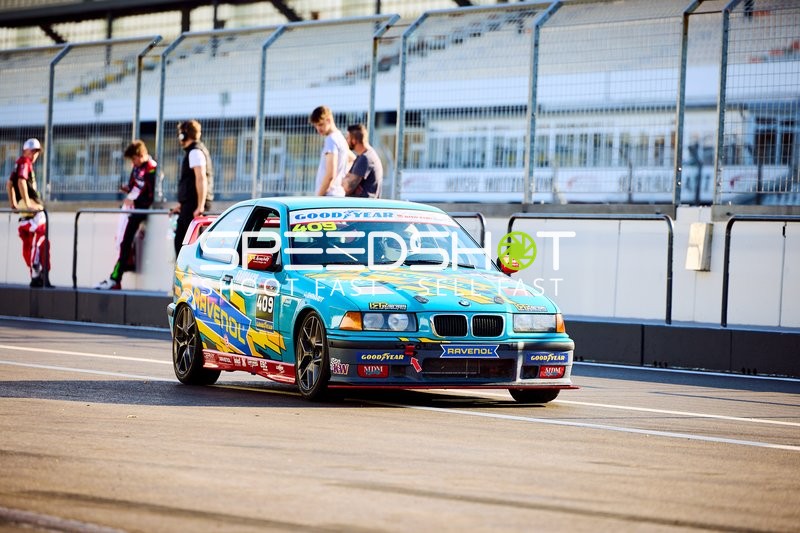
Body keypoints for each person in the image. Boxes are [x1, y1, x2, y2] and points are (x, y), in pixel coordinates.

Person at [95, 140, 157, 290]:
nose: (133, 163)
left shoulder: (151, 168)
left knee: (125, 242)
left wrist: (135, 202)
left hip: (139, 210)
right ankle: (117, 275)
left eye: (134, 159)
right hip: (132, 209)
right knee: (122, 241)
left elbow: (150, 195)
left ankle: (115, 278)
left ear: (141, 155)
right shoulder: (136, 167)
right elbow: (133, 185)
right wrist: (127, 189)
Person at [6, 138, 52, 288]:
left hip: (25, 213)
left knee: (32, 245)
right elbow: (20, 182)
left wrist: (13, 203)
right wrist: (28, 203)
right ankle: (38, 274)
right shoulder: (25, 162)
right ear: (26, 150)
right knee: (40, 241)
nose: (35, 155)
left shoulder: (19, 163)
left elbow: (9, 184)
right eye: (33, 151)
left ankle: (37, 275)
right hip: (32, 211)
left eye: (37, 152)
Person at [172, 119, 213, 257]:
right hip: (189, 205)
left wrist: (200, 206)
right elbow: (190, 182)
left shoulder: (195, 152)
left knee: (187, 247)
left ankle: (188, 278)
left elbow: (201, 178)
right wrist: (181, 204)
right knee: (182, 244)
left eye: (180, 134)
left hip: (193, 207)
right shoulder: (193, 151)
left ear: (184, 135)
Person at [309, 105, 354, 197]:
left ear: (329, 120)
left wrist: (318, 197)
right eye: (316, 125)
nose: (318, 129)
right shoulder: (340, 138)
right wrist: (342, 177)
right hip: (338, 194)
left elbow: (330, 175)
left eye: (320, 124)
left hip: (329, 195)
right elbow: (352, 159)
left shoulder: (331, 140)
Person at [343, 124, 383, 198]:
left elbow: (347, 187)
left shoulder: (366, 158)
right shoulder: (363, 156)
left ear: (354, 140)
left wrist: (341, 179)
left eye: (348, 138)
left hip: (363, 207)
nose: (346, 140)